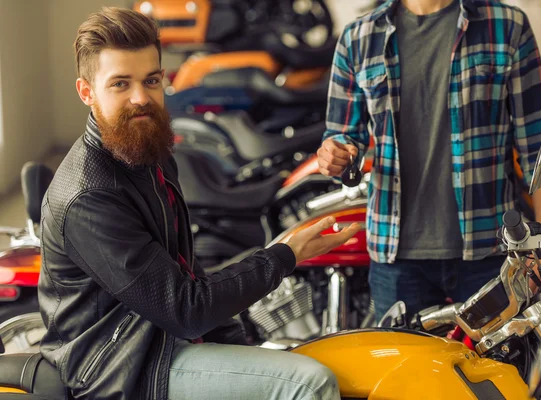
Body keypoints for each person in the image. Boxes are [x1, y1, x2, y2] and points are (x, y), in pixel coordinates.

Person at [38, 7, 359, 400]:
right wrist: (283, 255)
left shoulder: (148, 153)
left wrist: (240, 343)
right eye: (120, 84)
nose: (141, 98)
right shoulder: (89, 196)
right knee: (310, 383)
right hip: (123, 366)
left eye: (151, 80)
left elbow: (185, 271)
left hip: (159, 339)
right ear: (87, 92)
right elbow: (185, 308)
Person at [317, 0, 541, 321]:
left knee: (501, 370)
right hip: (396, 260)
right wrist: (336, 155)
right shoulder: (359, 37)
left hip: (489, 252)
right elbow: (343, 137)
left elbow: (539, 147)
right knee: (405, 370)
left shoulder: (506, 25)